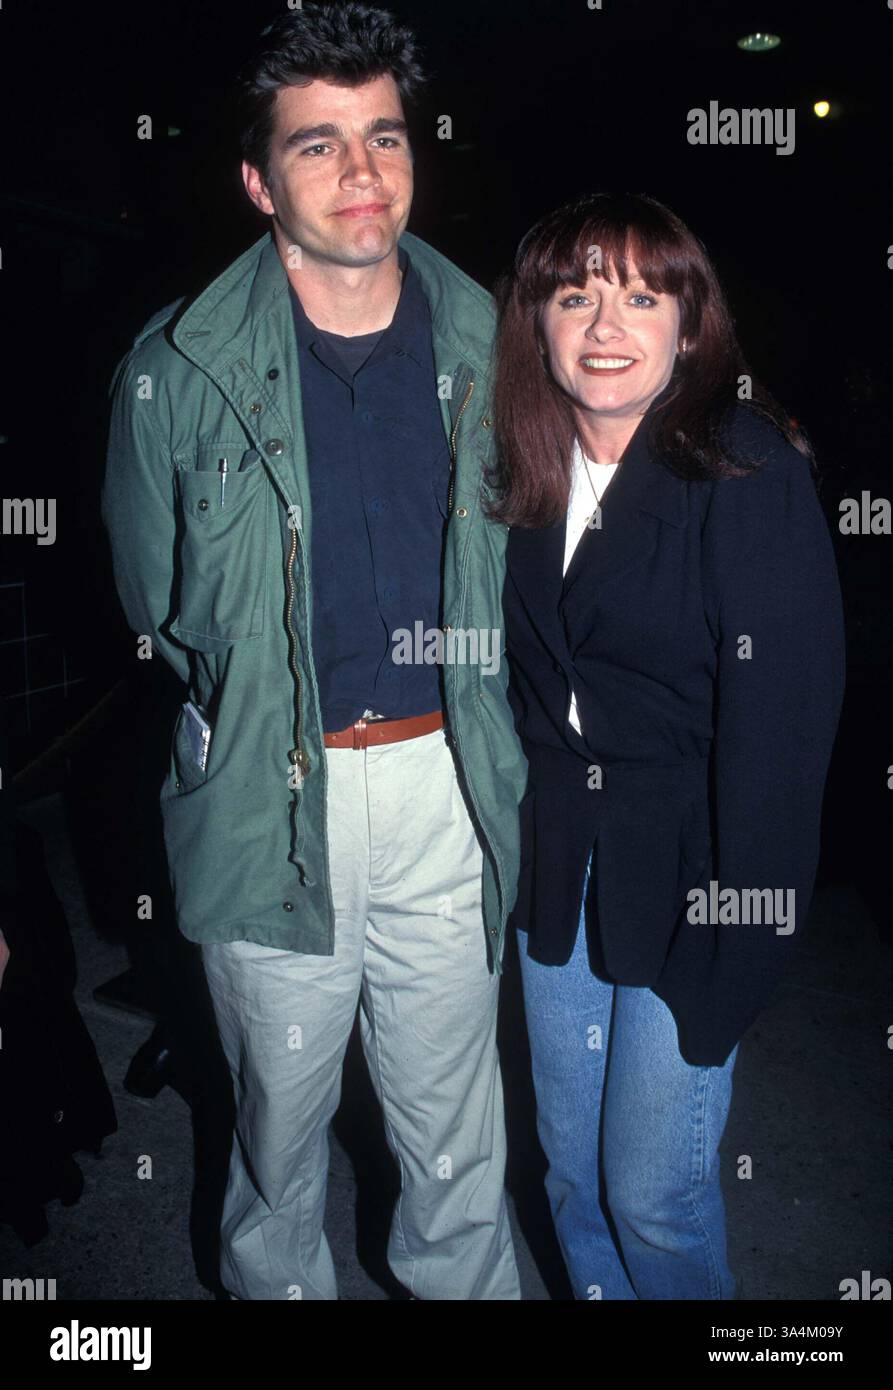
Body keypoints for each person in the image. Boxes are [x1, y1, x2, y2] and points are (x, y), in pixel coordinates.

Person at [101, 3, 528, 1301]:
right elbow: (156, 604)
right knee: (278, 1130)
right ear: (255, 178)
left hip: (443, 783)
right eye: (318, 145)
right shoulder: (173, 372)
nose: (361, 175)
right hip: (266, 788)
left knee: (457, 1131)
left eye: (384, 138)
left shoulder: (493, 342)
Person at [493, 191, 845, 1300]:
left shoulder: (738, 465)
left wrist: (742, 942)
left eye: (641, 296)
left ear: (688, 325)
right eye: (574, 294)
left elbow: (780, 739)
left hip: (693, 873)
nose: (605, 323)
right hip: (559, 869)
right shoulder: (518, 467)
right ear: (536, 323)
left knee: (652, 1190)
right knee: (569, 1178)